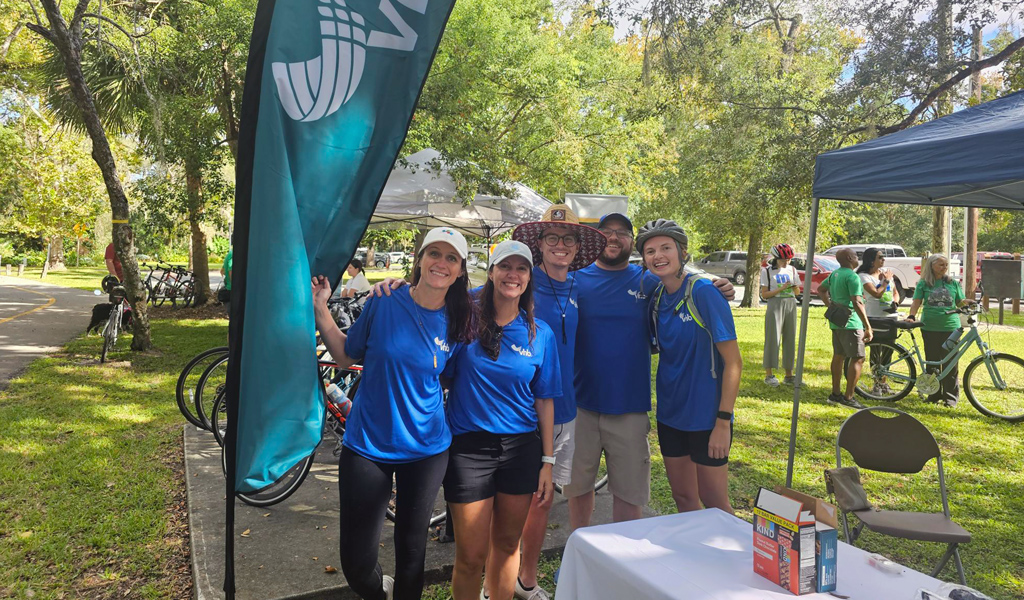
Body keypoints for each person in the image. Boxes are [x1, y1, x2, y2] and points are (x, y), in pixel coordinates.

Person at [312, 226, 474, 600]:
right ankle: (379, 592)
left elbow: (450, 378)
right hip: (368, 444)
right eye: (434, 253)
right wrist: (321, 308)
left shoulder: (460, 319)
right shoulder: (385, 300)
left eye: (452, 258)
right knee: (355, 562)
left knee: (412, 553)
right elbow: (345, 354)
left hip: (427, 449)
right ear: (420, 260)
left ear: (461, 270)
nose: (441, 263)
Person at [567, 214, 735, 538]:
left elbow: (683, 278)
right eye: (606, 232)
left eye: (622, 232)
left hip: (630, 407)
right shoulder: (576, 278)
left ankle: (627, 564)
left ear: (631, 244)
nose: (613, 238)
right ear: (596, 238)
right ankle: (578, 553)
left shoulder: (647, 281)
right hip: (581, 406)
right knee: (578, 490)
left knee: (630, 495)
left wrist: (719, 284)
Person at [443, 240, 560, 600]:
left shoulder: (540, 334)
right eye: (505, 266)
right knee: (471, 555)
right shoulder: (464, 323)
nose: (513, 274)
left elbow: (544, 400)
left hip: (521, 450)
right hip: (469, 450)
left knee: (508, 545)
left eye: (521, 268)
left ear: (529, 277)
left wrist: (548, 461)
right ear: (491, 273)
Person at [509, 204, 605, 600]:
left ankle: (525, 581)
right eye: (552, 238)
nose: (560, 245)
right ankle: (497, 578)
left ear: (577, 246)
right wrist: (399, 285)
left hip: (566, 412)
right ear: (539, 244)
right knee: (515, 503)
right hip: (522, 413)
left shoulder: (583, 287)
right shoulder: (522, 283)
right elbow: (465, 299)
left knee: (543, 502)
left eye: (568, 238)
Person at [637, 219, 741, 514]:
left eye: (666, 248)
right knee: (683, 498)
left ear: (682, 252)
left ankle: (734, 560)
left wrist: (723, 422)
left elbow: (733, 363)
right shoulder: (656, 297)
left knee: (715, 505)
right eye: (650, 251)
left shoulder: (704, 292)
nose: (658, 256)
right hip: (670, 415)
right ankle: (697, 560)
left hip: (707, 418)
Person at [907, 253, 970, 407]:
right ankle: (933, 394)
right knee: (933, 362)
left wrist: (968, 303)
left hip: (951, 328)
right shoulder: (923, 284)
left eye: (946, 264)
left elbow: (959, 302)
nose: (944, 267)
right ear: (932, 265)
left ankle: (950, 398)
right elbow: (916, 302)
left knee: (950, 363)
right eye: (941, 264)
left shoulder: (952, 283)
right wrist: (911, 316)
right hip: (930, 327)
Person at [818, 248, 873, 410]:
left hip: (837, 322)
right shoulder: (852, 276)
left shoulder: (835, 274)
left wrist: (832, 307)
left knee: (839, 355)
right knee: (858, 358)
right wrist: (867, 326)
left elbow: (821, 290)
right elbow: (857, 301)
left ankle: (835, 394)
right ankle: (848, 397)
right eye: (856, 256)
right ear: (850, 258)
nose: (858, 259)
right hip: (851, 323)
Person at [856, 248, 900, 396]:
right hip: (874, 317)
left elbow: (895, 293)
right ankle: (876, 384)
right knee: (876, 352)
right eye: (880, 257)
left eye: (883, 257)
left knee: (888, 351)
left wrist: (895, 302)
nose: (883, 260)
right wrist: (885, 280)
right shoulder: (864, 277)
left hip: (890, 318)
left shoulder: (886, 274)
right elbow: (875, 293)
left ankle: (883, 382)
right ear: (871, 260)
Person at [760, 244, 801, 387]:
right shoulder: (767, 271)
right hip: (775, 304)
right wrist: (781, 289)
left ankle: (789, 375)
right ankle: (769, 374)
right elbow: (764, 295)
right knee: (773, 338)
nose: (786, 262)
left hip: (790, 304)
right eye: (783, 260)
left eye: (789, 260)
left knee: (790, 338)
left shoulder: (793, 270)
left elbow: (797, 293)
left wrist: (794, 288)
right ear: (776, 258)